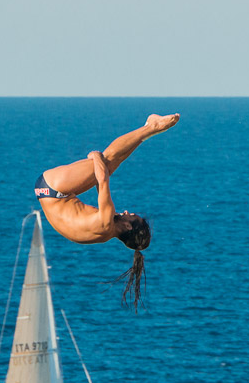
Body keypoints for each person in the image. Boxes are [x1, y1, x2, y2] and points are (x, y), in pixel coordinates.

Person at [35, 113, 180, 312]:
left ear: (128, 226)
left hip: (54, 188)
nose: (128, 212)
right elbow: (100, 186)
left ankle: (150, 127)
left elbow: (102, 179)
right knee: (108, 165)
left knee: (106, 158)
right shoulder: (105, 232)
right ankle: (149, 129)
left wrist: (95, 156)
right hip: (49, 193)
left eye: (132, 216)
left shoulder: (106, 221)